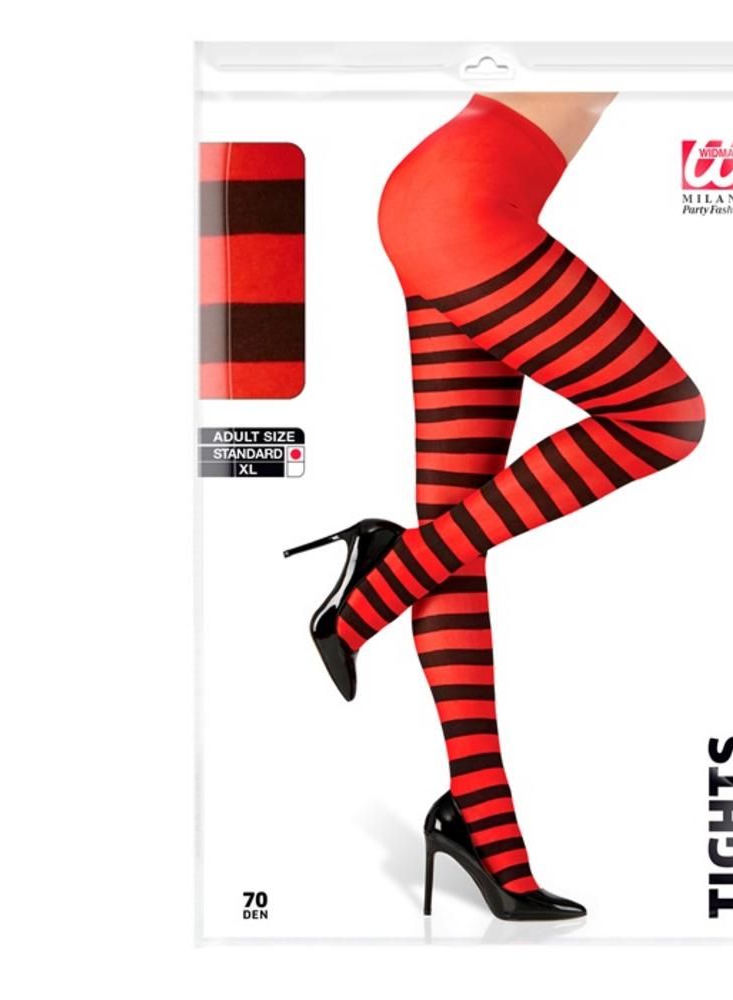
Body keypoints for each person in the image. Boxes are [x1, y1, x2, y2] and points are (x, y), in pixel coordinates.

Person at [285, 92, 706, 920]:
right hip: (463, 209)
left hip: (448, 199)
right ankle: (386, 575)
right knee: (663, 417)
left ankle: (482, 821)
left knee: (454, 538)